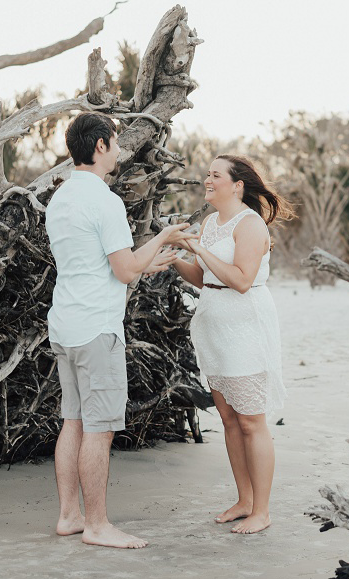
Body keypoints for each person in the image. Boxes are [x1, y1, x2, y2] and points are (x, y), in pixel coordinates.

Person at [46, 111, 195, 549]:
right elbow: (125, 269)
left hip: (65, 324)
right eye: (115, 141)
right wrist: (164, 236)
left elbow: (99, 265)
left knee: (72, 420)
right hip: (97, 330)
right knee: (100, 429)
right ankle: (97, 525)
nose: (120, 149)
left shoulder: (60, 199)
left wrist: (150, 260)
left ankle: (69, 516)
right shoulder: (104, 201)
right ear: (99, 147)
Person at [169, 154, 294, 534]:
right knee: (228, 419)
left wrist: (199, 250)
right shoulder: (210, 222)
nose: (208, 179)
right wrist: (175, 256)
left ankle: (263, 510)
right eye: (207, 174)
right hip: (214, 327)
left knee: (252, 421)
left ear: (237, 185)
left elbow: (240, 280)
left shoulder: (251, 224)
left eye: (215, 175)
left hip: (246, 328)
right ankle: (244, 500)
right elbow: (206, 279)